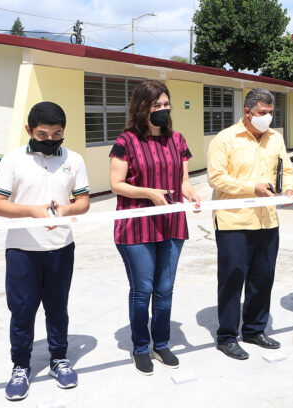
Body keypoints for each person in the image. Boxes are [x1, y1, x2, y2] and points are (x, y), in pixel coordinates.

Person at [0, 102, 90, 400]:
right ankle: (20, 366)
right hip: (22, 250)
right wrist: (32, 212)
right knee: (22, 312)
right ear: (29, 130)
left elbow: (83, 202)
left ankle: (58, 359)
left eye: (57, 133)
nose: (50, 139)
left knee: (57, 309)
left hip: (61, 247)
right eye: (42, 134)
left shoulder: (74, 159)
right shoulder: (12, 161)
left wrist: (67, 208)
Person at [109, 80, 201, 375]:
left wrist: (191, 192)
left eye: (165, 104)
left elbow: (183, 179)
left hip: (172, 222)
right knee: (143, 288)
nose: (162, 110)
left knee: (165, 288)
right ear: (141, 108)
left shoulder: (178, 140)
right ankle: (140, 348)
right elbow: (116, 184)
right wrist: (149, 192)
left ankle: (161, 343)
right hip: (137, 224)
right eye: (155, 106)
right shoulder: (126, 142)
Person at [207, 88, 293, 360]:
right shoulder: (225, 139)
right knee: (232, 279)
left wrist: (289, 189)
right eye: (261, 113)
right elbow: (216, 178)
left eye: (270, 113)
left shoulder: (275, 138)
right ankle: (227, 336)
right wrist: (251, 188)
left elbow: (287, 169)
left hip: (267, 219)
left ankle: (255, 330)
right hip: (234, 220)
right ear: (247, 112)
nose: (267, 117)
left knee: (263, 277)